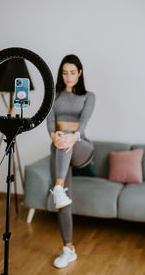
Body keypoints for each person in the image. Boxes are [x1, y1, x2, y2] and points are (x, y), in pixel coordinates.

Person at [46, 54, 95, 268]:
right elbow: (49, 124)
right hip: (60, 147)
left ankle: (57, 187)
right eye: (65, 73)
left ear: (80, 73)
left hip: (82, 147)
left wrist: (68, 136)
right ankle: (69, 249)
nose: (68, 76)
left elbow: (82, 126)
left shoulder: (88, 96)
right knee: (63, 203)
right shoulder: (53, 96)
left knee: (65, 137)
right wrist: (55, 138)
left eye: (72, 72)